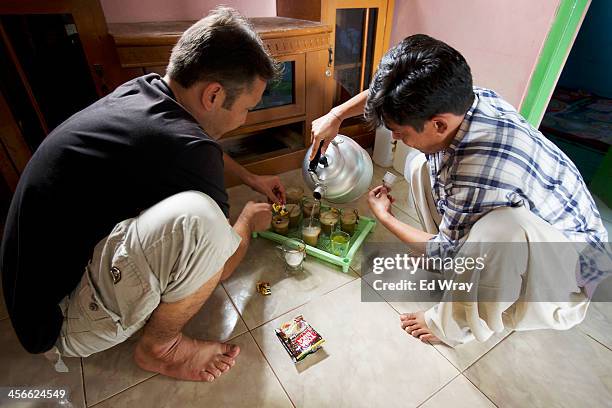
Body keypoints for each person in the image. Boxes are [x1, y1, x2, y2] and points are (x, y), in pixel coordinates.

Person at [0, 7, 285, 381]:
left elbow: (194, 147)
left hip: (29, 296)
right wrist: (248, 221)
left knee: (189, 217)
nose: (245, 119)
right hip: (60, 322)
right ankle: (161, 349)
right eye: (247, 108)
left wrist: (250, 178)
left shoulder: (145, 92)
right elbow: (222, 262)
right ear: (214, 95)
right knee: (205, 224)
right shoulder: (188, 149)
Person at [310, 34, 609, 346]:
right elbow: (385, 92)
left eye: (399, 131)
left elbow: (447, 248)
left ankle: (451, 326)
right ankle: (459, 268)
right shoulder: (462, 98)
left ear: (438, 124)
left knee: (500, 231)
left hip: (568, 277)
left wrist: (385, 217)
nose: (395, 137)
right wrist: (337, 115)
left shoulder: (478, 171)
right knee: (419, 164)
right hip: (544, 223)